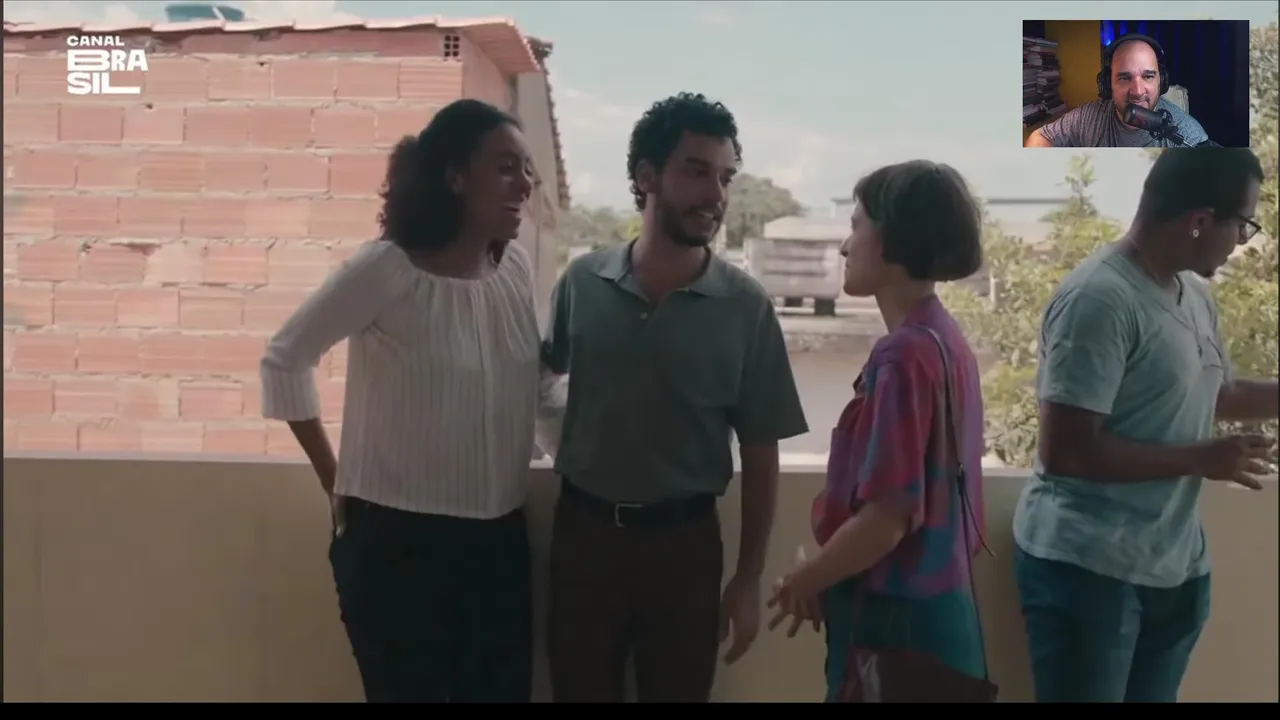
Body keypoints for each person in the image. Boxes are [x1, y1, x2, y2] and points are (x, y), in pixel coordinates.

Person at [259, 99, 541, 703]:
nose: (525, 184)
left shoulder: (515, 269)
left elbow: (533, 385)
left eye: (527, 170)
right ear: (455, 177)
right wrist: (334, 480)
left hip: (499, 547)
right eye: (506, 167)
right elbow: (285, 358)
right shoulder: (387, 268)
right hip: (396, 550)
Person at [539, 92, 809, 703]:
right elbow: (545, 379)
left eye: (726, 177)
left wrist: (747, 578)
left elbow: (760, 450)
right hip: (583, 539)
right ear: (646, 176)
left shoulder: (745, 306)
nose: (716, 194)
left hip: (685, 551)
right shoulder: (582, 283)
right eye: (697, 171)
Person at [1013, 147, 1277, 703]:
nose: (1242, 240)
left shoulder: (1195, 296)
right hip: (1089, 573)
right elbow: (1068, 452)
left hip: (1174, 567)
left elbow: (1217, 392)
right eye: (1243, 224)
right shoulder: (1098, 299)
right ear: (1199, 221)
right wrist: (1201, 458)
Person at [765, 161, 991, 701]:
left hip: (896, 633)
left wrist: (806, 580)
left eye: (856, 225)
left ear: (892, 238)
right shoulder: (945, 340)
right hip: (940, 617)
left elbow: (887, 519)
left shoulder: (904, 354)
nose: (846, 246)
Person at [1025, 34, 1209, 148]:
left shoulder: (1187, 135)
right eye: (1124, 78)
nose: (1137, 91)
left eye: (1148, 76)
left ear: (1162, 81)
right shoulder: (1087, 118)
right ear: (1107, 84)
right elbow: (1040, 136)